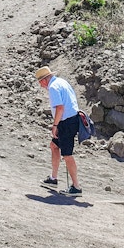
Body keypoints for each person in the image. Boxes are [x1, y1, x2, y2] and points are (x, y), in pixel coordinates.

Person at [36, 66, 82, 197]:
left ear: (44, 80)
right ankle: (53, 178)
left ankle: (76, 187)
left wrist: (55, 125)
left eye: (40, 82)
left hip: (66, 123)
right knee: (54, 145)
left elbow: (60, 108)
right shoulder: (62, 82)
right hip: (71, 119)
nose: (40, 85)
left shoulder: (53, 87)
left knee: (67, 154)